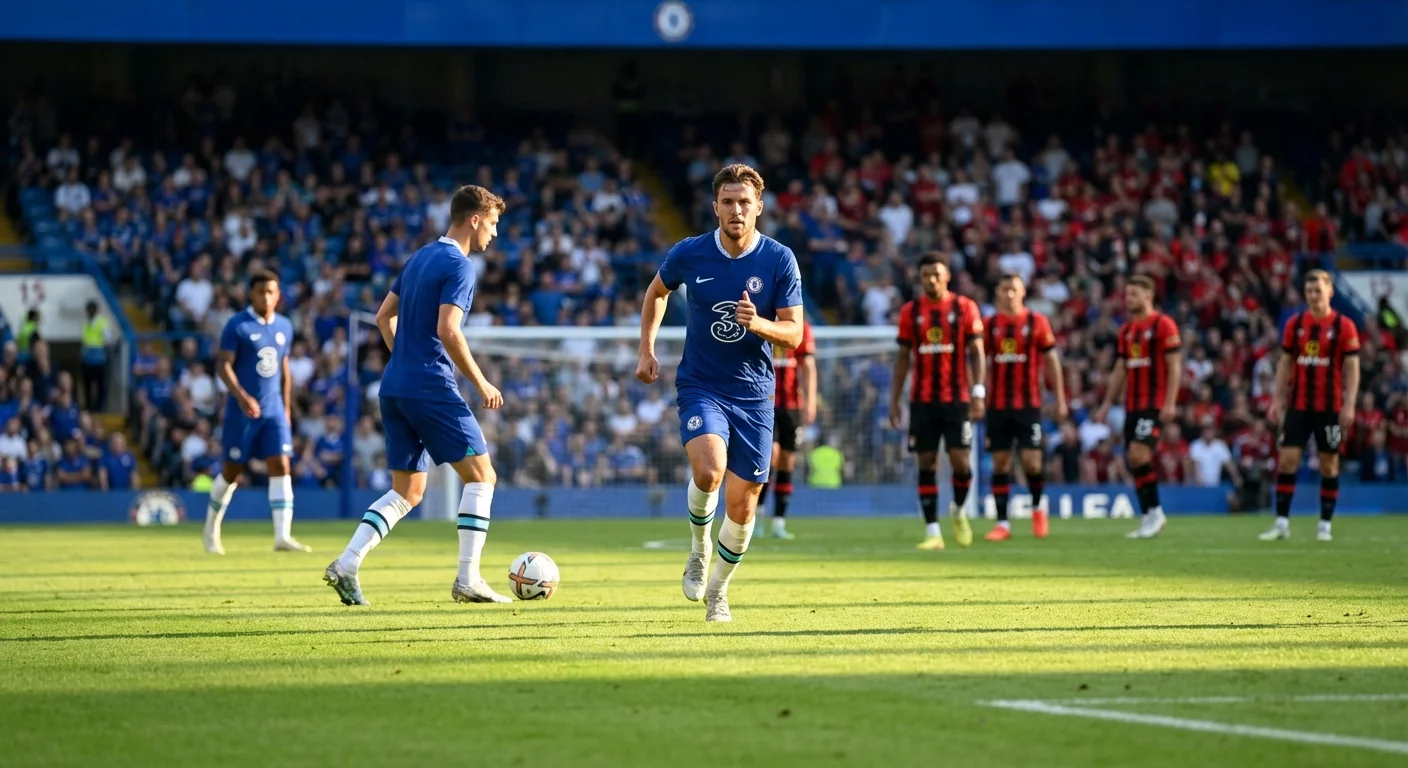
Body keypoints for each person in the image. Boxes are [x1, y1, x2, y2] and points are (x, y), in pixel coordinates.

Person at [325, 185, 512, 606]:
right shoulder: (460, 267)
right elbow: (449, 330)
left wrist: (406, 360)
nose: (495, 235)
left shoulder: (419, 256)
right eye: (494, 224)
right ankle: (468, 579)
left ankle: (347, 563)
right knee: (482, 477)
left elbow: (381, 316)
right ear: (475, 219)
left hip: (395, 385)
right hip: (429, 384)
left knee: (408, 491)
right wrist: (481, 382)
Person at [635, 163, 804, 623]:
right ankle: (697, 547)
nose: (736, 210)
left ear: (759, 208)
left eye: (744, 202)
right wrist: (647, 349)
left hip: (754, 393)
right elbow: (656, 293)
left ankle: (718, 592)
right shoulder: (690, 253)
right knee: (710, 473)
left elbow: (794, 334)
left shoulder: (779, 259)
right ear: (715, 207)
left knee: (744, 503)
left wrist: (759, 324)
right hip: (701, 385)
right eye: (727, 202)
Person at [202, 272, 309, 555]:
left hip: (273, 410)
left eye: (271, 292)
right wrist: (241, 396)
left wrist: (286, 408)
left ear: (278, 295)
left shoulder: (284, 326)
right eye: (260, 292)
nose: (266, 297)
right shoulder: (237, 325)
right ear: (251, 294)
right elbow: (223, 365)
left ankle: (282, 536)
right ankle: (211, 530)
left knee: (281, 465)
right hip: (242, 412)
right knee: (232, 471)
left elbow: (284, 370)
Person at [889, 252, 985, 551]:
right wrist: (895, 400)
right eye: (925, 275)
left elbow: (977, 352)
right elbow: (903, 358)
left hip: (957, 400)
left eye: (936, 274)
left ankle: (958, 510)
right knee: (926, 462)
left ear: (947, 276)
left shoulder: (964, 307)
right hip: (922, 401)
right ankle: (933, 531)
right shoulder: (910, 311)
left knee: (961, 462)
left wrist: (978, 391)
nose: (930, 280)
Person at [1263, 269, 1360, 542]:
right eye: (1309, 292)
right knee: (1287, 460)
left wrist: (1350, 403)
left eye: (1318, 290)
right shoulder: (1295, 325)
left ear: (1330, 291)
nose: (1314, 296)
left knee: (1329, 464)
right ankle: (1281, 523)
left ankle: (1324, 526)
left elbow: (1352, 367)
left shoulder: (1344, 326)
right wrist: (1277, 399)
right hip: (1298, 406)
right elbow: (1285, 363)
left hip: (1330, 407)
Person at [1095, 275, 1182, 539]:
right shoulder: (1127, 330)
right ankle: (1149, 515)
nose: (1128, 299)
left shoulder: (1163, 325)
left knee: (1138, 453)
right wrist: (1107, 403)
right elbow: (1121, 368)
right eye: (1127, 294)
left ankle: (1154, 513)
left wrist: (1170, 402)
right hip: (1132, 405)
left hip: (1154, 404)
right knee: (1134, 459)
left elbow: (1174, 366)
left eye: (1133, 294)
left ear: (1148, 296)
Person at [983, 273, 1065, 541]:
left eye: (1013, 289)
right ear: (997, 293)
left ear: (1023, 292)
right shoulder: (989, 325)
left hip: (1028, 405)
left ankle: (1038, 510)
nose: (1008, 295)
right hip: (997, 405)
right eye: (1004, 289)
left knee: (1032, 462)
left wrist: (1060, 398)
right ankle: (1002, 524)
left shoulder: (1036, 322)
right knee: (1001, 463)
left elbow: (1051, 360)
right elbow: (977, 361)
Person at [758, 321, 815, 540]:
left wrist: (810, 403)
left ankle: (778, 522)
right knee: (769, 457)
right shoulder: (761, 320)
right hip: (764, 403)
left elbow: (808, 366)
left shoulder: (802, 327)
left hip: (792, 406)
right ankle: (757, 516)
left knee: (787, 461)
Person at [79, 301, 112, 411]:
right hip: (87, 357)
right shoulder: (86, 322)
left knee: (100, 384)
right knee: (87, 384)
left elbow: (107, 338)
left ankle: (100, 406)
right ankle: (88, 405)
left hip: (98, 357)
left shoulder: (102, 322)